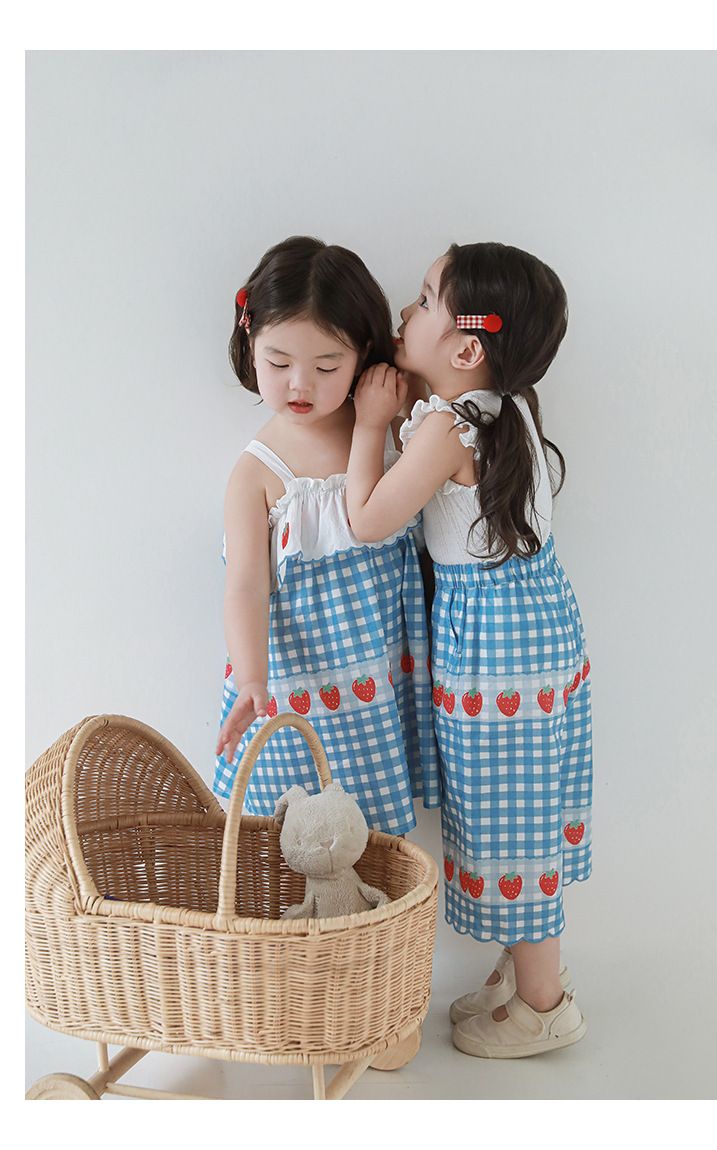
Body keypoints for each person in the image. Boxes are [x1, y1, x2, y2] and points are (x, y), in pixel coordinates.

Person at [346, 241, 592, 1057]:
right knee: (521, 809)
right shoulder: (506, 407)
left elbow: (367, 520)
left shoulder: (448, 430)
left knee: (506, 822)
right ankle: (520, 972)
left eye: (424, 300)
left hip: (497, 653)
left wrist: (371, 425)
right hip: (535, 634)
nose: (405, 311)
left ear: (466, 349)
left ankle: (545, 1005)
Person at [214, 236, 439, 835]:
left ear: (362, 353)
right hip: (304, 687)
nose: (300, 385)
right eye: (278, 363)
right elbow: (245, 586)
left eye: (326, 367)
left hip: (383, 670)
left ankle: (380, 898)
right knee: (298, 832)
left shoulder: (386, 416)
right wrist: (252, 677)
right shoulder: (257, 473)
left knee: (377, 834)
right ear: (249, 344)